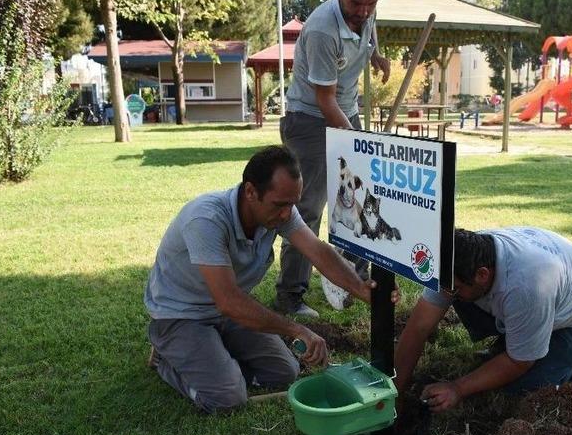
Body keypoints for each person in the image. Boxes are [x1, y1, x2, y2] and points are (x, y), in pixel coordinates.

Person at [144, 146, 397, 413]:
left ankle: (216, 361)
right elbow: (229, 301)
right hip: (181, 316)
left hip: (226, 315)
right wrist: (297, 329)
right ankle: (165, 358)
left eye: (293, 203)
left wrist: (360, 288)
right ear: (251, 191)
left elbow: (317, 251)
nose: (288, 214)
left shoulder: (278, 212)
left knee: (285, 372)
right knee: (227, 399)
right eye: (280, 204)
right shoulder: (206, 219)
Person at [395, 227, 572, 413]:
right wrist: (395, 391)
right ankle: (527, 337)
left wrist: (457, 388)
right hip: (544, 299)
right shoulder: (460, 261)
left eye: (454, 289)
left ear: (482, 274)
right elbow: (419, 326)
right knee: (462, 297)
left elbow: (520, 361)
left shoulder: (527, 288)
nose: (448, 293)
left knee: (523, 386)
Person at [276, 0, 391, 317]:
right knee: (306, 209)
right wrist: (356, 141)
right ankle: (290, 296)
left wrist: (377, 56)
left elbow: (369, 30)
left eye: (371, 3)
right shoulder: (322, 31)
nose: (363, 11)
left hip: (345, 109)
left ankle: (356, 277)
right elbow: (324, 100)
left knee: (358, 196)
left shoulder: (366, 8)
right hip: (309, 119)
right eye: (356, 4)